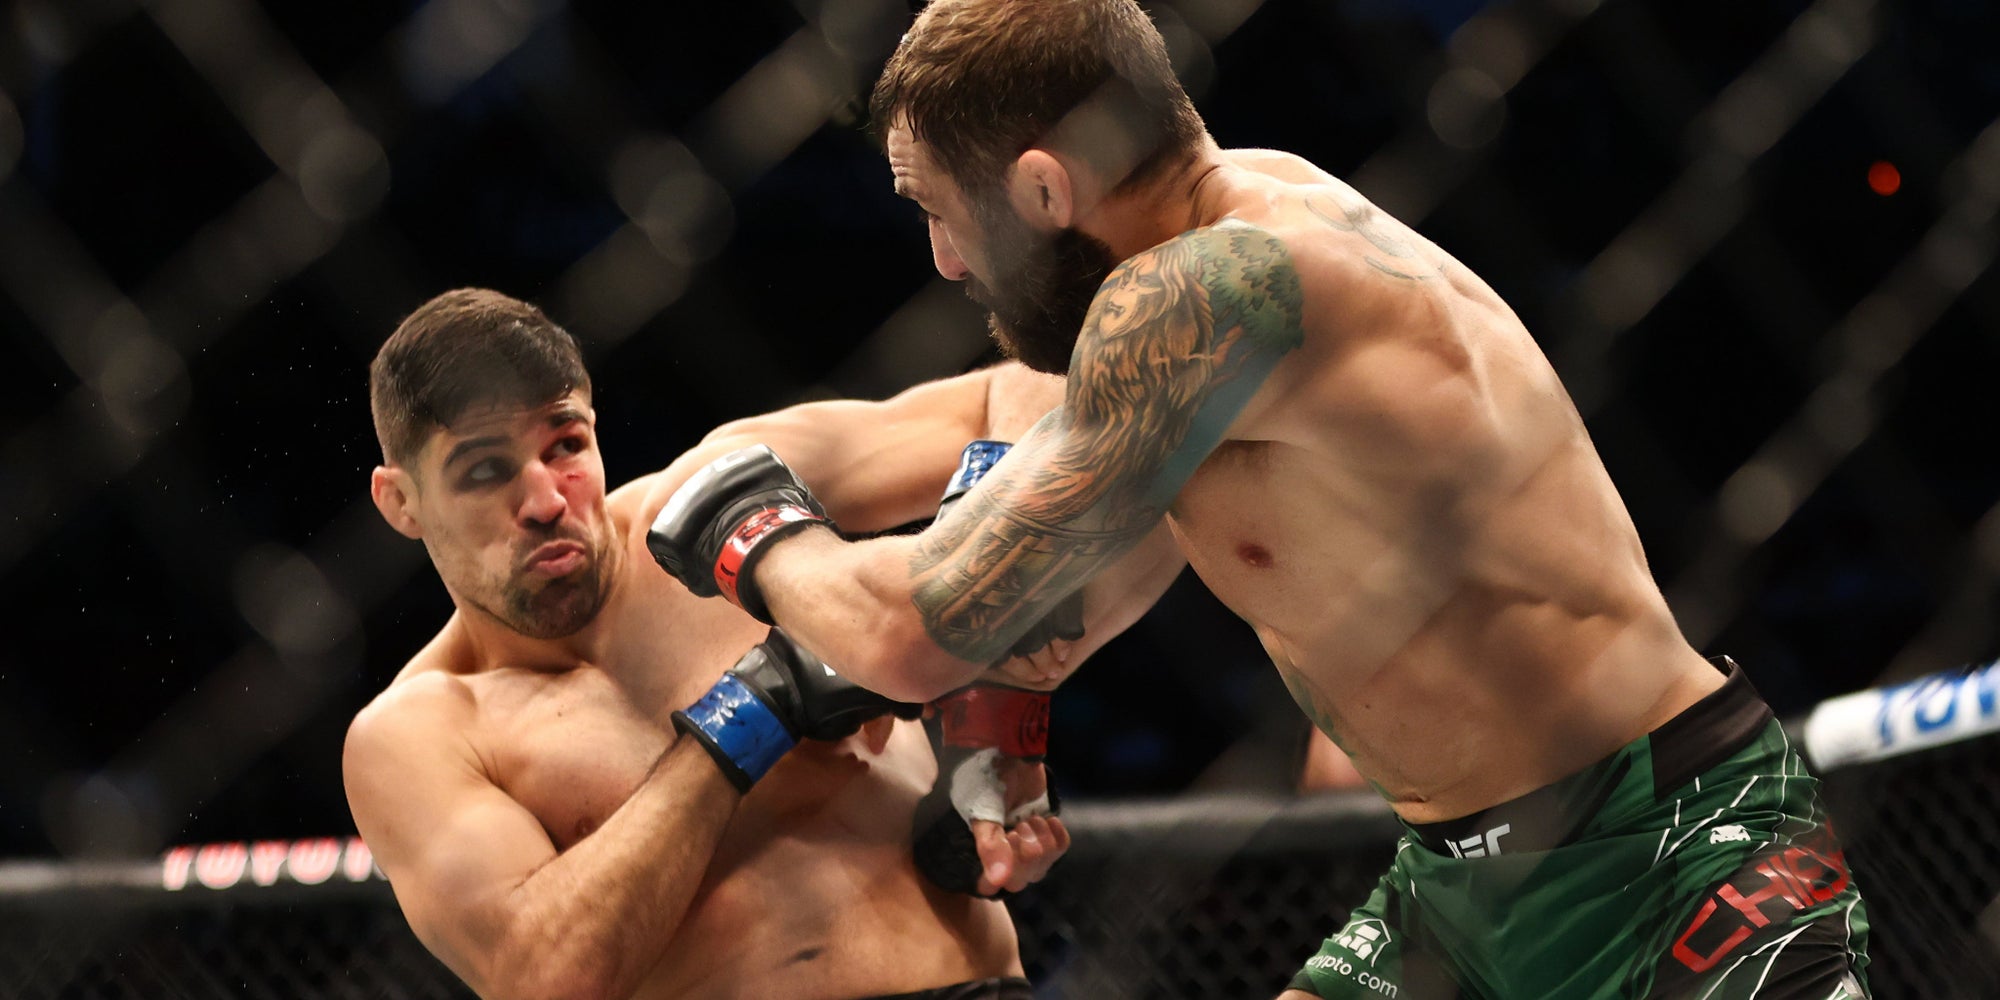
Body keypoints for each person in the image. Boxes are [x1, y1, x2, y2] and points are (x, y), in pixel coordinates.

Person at [644, 1, 1873, 996]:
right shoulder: (1213, 253)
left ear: (1040, 190)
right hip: (1459, 883)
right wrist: (999, 721)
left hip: (1671, 844)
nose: (944, 261)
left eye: (938, 212)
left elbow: (911, 625)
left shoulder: (1207, 291)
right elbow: (1087, 548)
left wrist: (742, 521)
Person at [342, 288, 1134, 1000]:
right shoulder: (418, 734)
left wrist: (994, 694)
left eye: (566, 446)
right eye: (485, 471)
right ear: (401, 502)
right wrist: (755, 709)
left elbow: (1037, 385)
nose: (547, 500)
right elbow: (544, 978)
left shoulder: (722, 493)